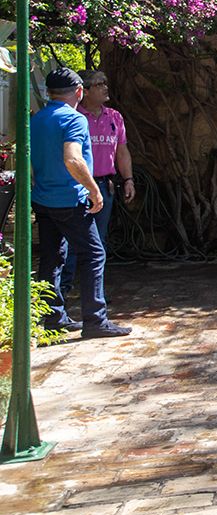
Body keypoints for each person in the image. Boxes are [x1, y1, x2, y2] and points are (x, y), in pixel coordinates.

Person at [31, 67, 131, 339]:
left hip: (42, 199)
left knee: (52, 258)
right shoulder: (74, 120)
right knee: (93, 254)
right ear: (78, 92)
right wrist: (93, 190)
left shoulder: (37, 119)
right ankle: (95, 321)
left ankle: (53, 317)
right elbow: (73, 158)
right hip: (69, 200)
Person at [60, 69, 134, 296]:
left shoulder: (114, 117)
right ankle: (66, 289)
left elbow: (122, 152)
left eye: (105, 82)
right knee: (72, 242)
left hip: (104, 185)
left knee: (98, 242)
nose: (105, 87)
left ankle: (94, 294)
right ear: (86, 90)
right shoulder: (75, 117)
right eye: (99, 84)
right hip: (78, 187)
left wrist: (128, 179)